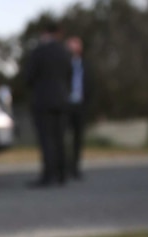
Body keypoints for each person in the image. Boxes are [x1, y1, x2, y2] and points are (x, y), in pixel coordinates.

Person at [26, 20, 72, 187]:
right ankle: (62, 174)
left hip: (43, 100)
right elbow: (69, 74)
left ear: (45, 33)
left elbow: (29, 77)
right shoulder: (64, 51)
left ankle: (48, 175)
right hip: (61, 99)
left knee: (46, 139)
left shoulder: (39, 51)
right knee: (60, 138)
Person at [66, 36, 92, 179]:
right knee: (64, 138)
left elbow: (91, 86)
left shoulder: (86, 65)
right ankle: (63, 167)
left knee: (78, 138)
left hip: (80, 105)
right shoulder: (63, 65)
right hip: (66, 105)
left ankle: (75, 167)